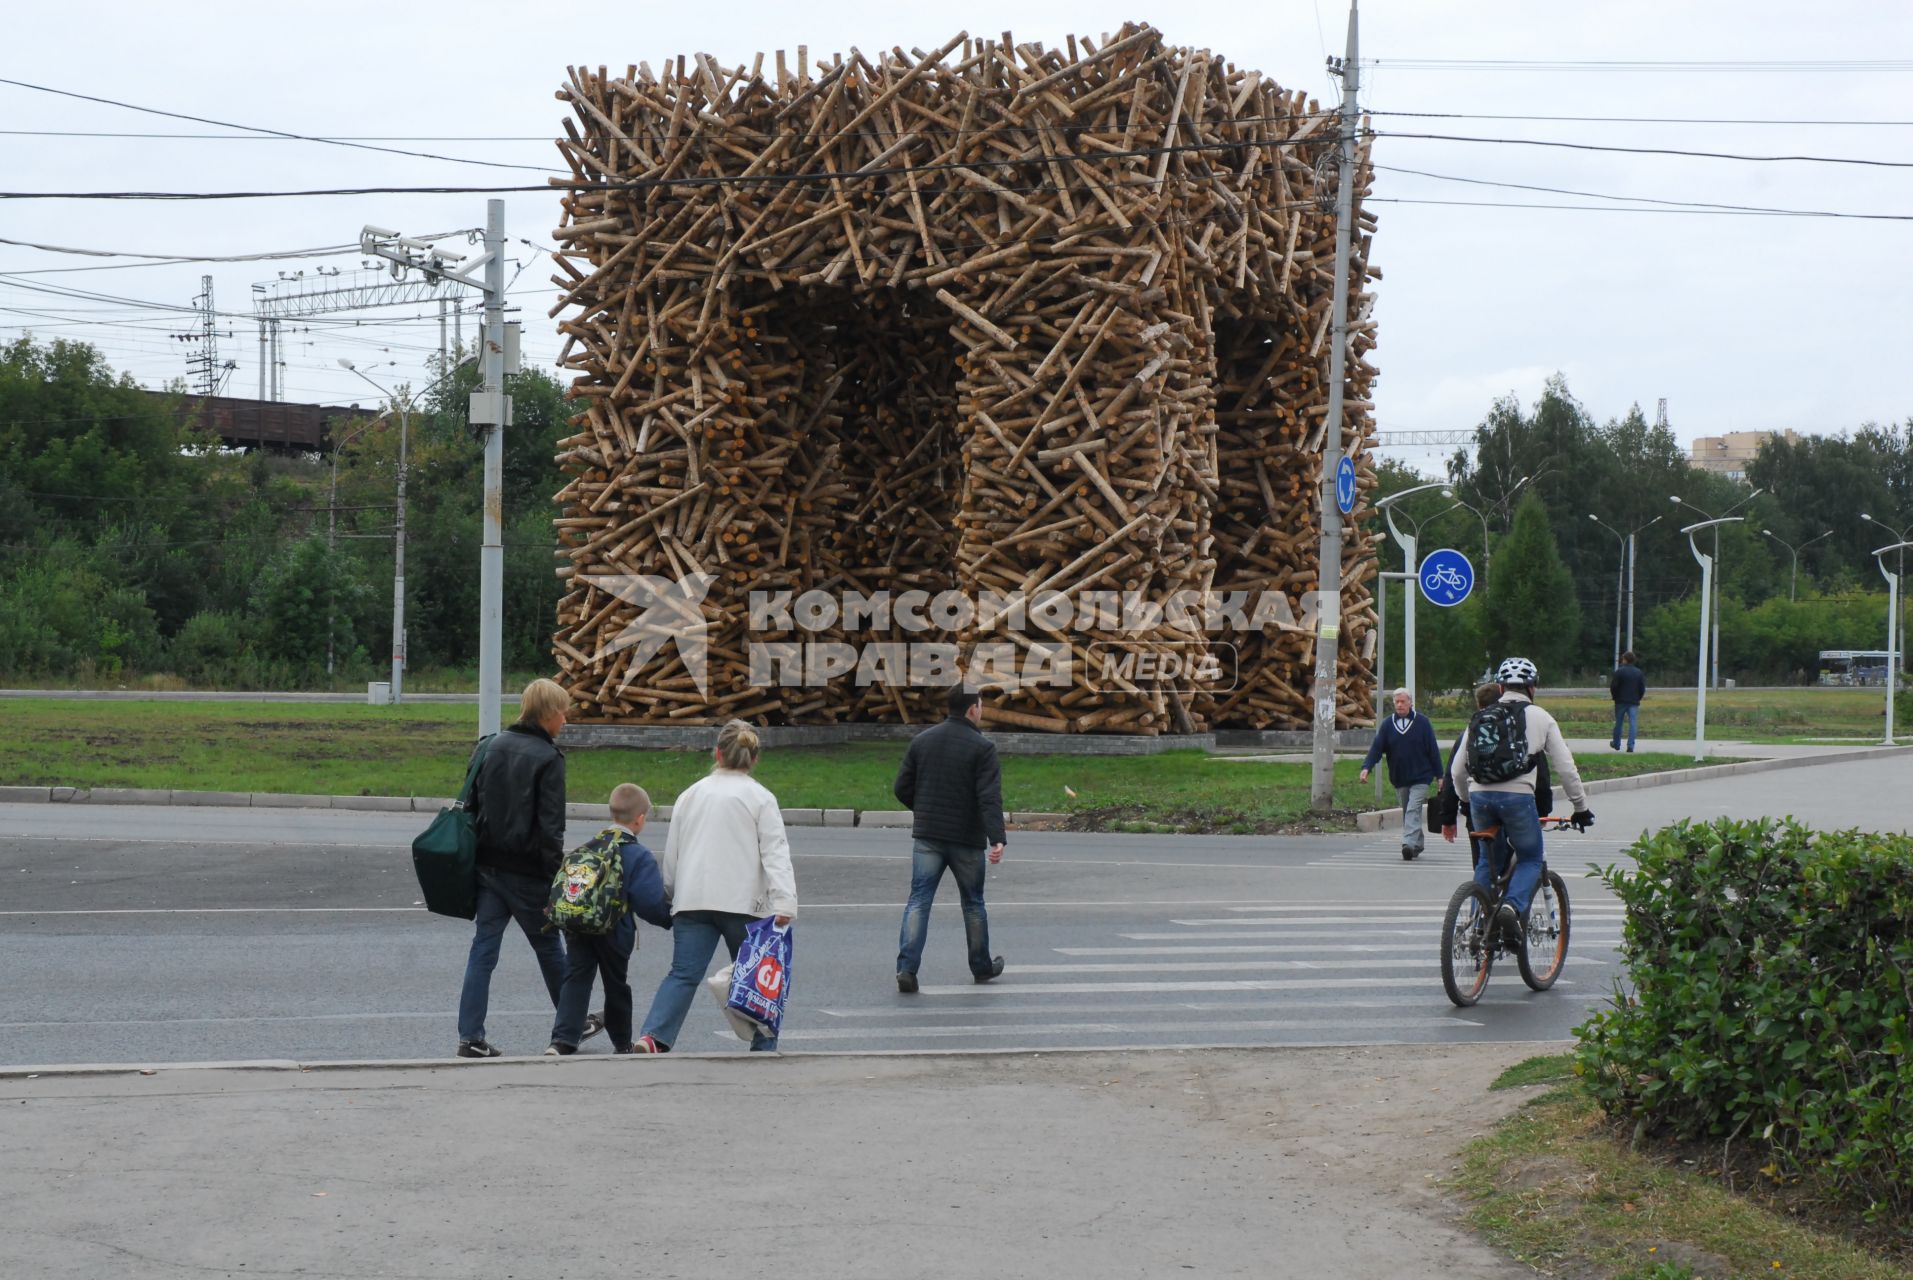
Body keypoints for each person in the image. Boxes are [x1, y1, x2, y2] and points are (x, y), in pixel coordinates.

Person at [630, 720, 798, 1053]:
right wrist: (785, 903)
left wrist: (671, 895)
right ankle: (763, 1043)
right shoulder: (761, 797)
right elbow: (775, 853)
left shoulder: (690, 795)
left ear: (717, 753)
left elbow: (674, 853)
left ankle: (654, 1037)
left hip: (692, 900)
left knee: (682, 974)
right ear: (754, 759)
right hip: (744, 904)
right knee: (756, 976)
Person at [455, 678, 576, 1058]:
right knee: (549, 948)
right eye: (562, 713)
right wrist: (554, 882)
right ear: (547, 714)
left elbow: (472, 805)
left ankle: (470, 1037)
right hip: (527, 872)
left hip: (487, 866)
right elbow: (550, 828)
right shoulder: (548, 758)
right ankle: (570, 1023)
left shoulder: (489, 745)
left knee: (483, 950)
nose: (566, 720)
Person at [1447, 658, 1594, 944]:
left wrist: (1466, 802)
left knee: (1487, 862)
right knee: (1529, 857)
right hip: (1517, 798)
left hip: (1479, 797)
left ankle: (1478, 925)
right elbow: (1566, 768)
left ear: (1501, 686)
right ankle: (1512, 907)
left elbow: (1456, 771)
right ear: (1533, 688)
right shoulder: (1541, 717)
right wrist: (1581, 808)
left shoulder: (1483, 715)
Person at [892, 684, 1008, 992]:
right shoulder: (982, 748)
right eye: (981, 705)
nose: (981, 710)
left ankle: (907, 968)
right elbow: (988, 798)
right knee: (973, 903)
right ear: (973, 709)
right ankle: (982, 967)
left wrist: (926, 809)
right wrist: (997, 837)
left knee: (919, 900)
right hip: (966, 840)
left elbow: (901, 788)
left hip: (928, 835)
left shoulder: (922, 741)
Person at [545, 784, 673, 1057]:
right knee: (616, 984)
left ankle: (562, 1041)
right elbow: (650, 903)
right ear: (639, 819)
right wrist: (670, 920)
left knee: (576, 977)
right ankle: (621, 1043)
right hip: (615, 930)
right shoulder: (637, 855)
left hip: (578, 925)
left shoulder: (588, 847)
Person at [1358, 687, 1444, 861]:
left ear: (1410, 703)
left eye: (1403, 701)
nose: (1399, 705)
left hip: (1421, 776)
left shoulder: (1423, 723)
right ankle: (1417, 844)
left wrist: (1440, 776)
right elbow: (1377, 748)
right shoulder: (1388, 724)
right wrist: (1367, 767)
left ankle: (1407, 844)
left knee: (1413, 808)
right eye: (1396, 702)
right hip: (1400, 777)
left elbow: (1433, 750)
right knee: (1408, 811)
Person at [1433, 682, 1502, 868]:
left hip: (1477, 802)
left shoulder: (1469, 732)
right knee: (1525, 857)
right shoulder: (1517, 729)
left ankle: (1480, 894)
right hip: (1513, 802)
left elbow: (1454, 775)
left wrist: (1452, 815)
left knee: (1482, 863)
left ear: (1479, 705)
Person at [1609, 650, 1646, 752]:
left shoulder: (1619, 672)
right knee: (1633, 723)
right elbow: (1642, 688)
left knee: (1619, 723)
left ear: (1625, 659)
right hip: (1633, 701)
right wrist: (1638, 697)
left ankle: (1616, 743)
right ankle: (1630, 745)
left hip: (1620, 701)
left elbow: (1614, 686)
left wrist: (1615, 697)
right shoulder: (1638, 672)